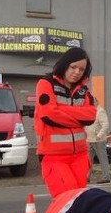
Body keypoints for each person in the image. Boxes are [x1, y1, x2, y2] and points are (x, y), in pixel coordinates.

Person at [34, 47, 97, 197]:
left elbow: (91, 116)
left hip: (80, 156)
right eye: (73, 67)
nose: (77, 72)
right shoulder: (46, 83)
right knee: (65, 200)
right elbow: (49, 115)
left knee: (78, 201)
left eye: (81, 69)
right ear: (65, 64)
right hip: (54, 156)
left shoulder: (83, 90)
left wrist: (61, 109)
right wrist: (78, 117)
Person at [86, 104, 111, 183]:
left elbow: (105, 125)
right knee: (88, 160)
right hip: (89, 139)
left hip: (98, 140)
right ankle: (86, 177)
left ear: (95, 102)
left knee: (102, 159)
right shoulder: (90, 111)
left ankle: (106, 177)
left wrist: (99, 135)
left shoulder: (100, 111)